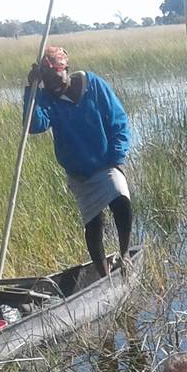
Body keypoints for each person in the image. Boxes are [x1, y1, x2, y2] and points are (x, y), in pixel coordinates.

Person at [27, 45, 134, 278]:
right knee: (93, 224)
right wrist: (32, 89)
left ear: (66, 69)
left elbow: (118, 119)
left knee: (121, 201)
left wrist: (116, 157)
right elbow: (35, 126)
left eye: (54, 77)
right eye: (46, 80)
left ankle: (125, 254)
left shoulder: (92, 85)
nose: (52, 85)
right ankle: (103, 274)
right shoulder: (46, 97)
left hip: (106, 164)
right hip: (79, 173)